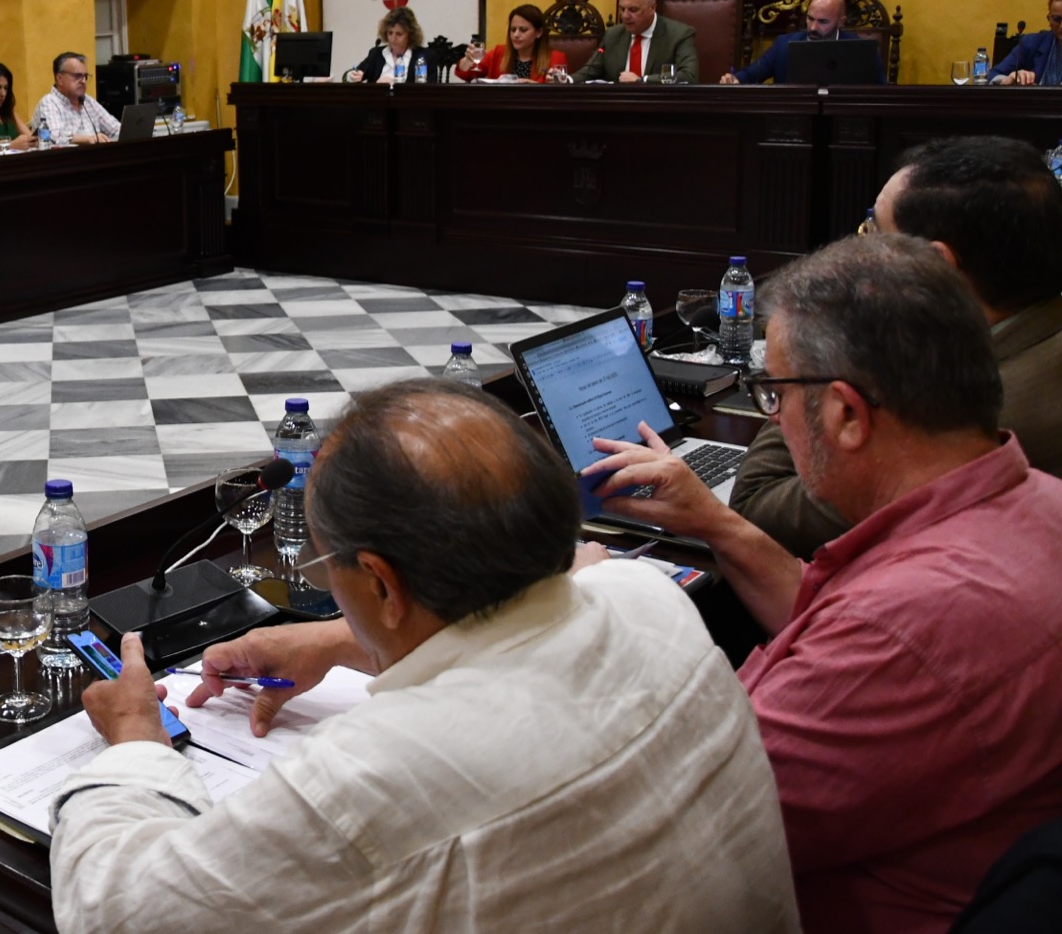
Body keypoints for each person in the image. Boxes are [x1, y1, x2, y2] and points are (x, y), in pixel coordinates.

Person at [49, 379, 797, 933]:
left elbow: (118, 912)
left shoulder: (377, 771)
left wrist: (138, 739)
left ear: (381, 582)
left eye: (327, 566)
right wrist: (336, 641)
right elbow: (561, 593)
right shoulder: (650, 597)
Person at [581, 235, 1062, 933]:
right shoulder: (1035, 503)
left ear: (845, 414)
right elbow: (836, 613)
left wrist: (594, 611)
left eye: (774, 393)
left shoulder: (900, 627)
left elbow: (676, 822)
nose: (773, 415)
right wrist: (717, 523)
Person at [731, 136, 1062, 556]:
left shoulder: (982, 418)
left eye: (876, 235)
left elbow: (759, 504)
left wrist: (811, 355)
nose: (860, 249)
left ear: (936, 267)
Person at [557, 0, 699, 84]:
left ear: (652, 8)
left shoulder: (679, 34)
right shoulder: (613, 35)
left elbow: (689, 76)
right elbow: (590, 71)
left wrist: (642, 80)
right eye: (622, 9)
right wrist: (565, 79)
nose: (625, 16)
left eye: (633, 10)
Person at [722, 0, 874, 85]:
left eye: (823, 22)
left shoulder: (860, 51)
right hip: (791, 119)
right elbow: (751, 74)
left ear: (841, 22)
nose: (813, 27)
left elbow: (878, 92)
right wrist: (735, 79)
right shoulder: (784, 44)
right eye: (810, 18)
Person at [452, 3, 568, 82]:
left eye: (523, 30)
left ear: (538, 32)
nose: (516, 35)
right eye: (513, 30)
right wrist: (468, 61)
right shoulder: (498, 53)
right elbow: (466, 75)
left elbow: (559, 93)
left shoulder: (556, 58)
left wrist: (535, 87)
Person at [29, 53, 121, 144]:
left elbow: (116, 129)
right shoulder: (49, 102)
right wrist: (87, 139)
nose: (83, 81)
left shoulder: (88, 101)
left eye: (85, 76)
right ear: (60, 79)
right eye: (77, 76)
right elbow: (52, 135)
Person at [988, 0, 1062, 86]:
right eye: (1057, 19)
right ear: (1049, 19)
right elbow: (992, 75)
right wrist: (1008, 79)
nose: (1061, 26)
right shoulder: (1032, 43)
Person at [344, 7, 423, 83]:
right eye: (390, 33)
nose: (393, 39)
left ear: (410, 34)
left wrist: (394, 85)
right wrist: (351, 76)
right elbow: (347, 76)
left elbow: (426, 88)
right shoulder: (376, 54)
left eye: (399, 34)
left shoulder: (423, 57)